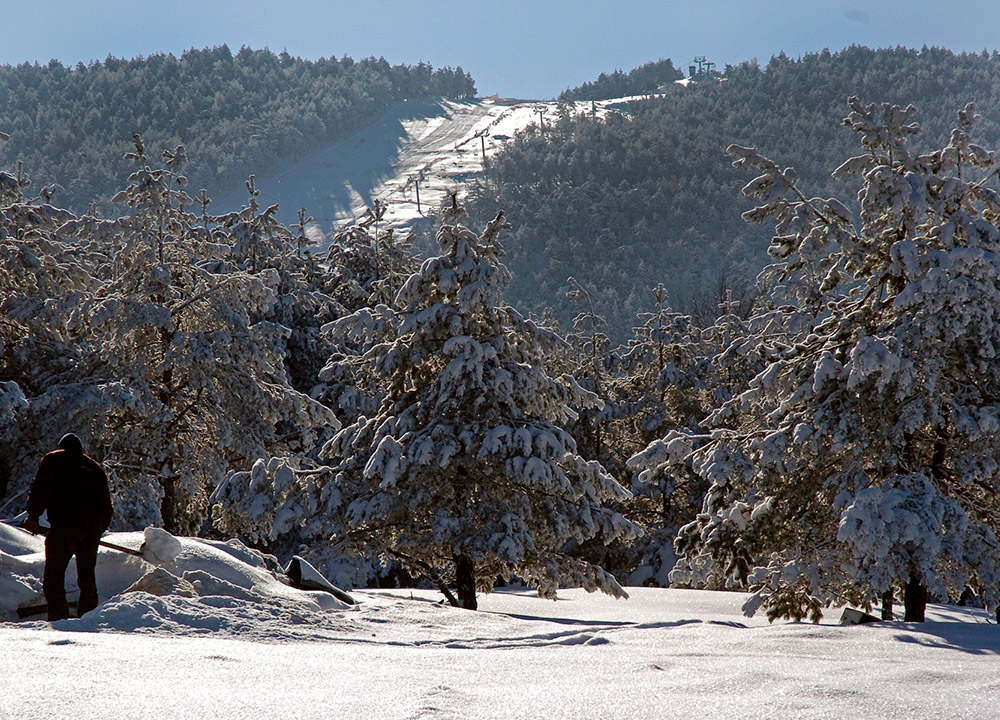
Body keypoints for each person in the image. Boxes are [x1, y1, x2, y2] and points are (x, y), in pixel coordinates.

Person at [23, 433, 113, 620]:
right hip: (91, 529)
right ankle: (88, 619)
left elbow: (41, 488)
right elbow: (106, 504)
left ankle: (58, 618)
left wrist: (33, 516)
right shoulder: (94, 467)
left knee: (54, 577)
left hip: (65, 527)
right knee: (87, 577)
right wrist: (97, 530)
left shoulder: (54, 459)